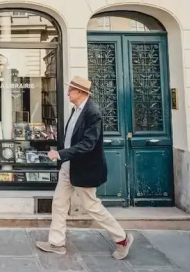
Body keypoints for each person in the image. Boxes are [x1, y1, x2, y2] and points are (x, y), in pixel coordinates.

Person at [36, 76, 133, 260]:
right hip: (69, 166)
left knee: (92, 206)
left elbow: (88, 144)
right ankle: (56, 243)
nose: (67, 92)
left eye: (70, 90)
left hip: (84, 168)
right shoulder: (76, 110)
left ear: (81, 92)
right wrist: (64, 156)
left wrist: (61, 154)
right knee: (59, 203)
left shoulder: (92, 113)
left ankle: (122, 239)